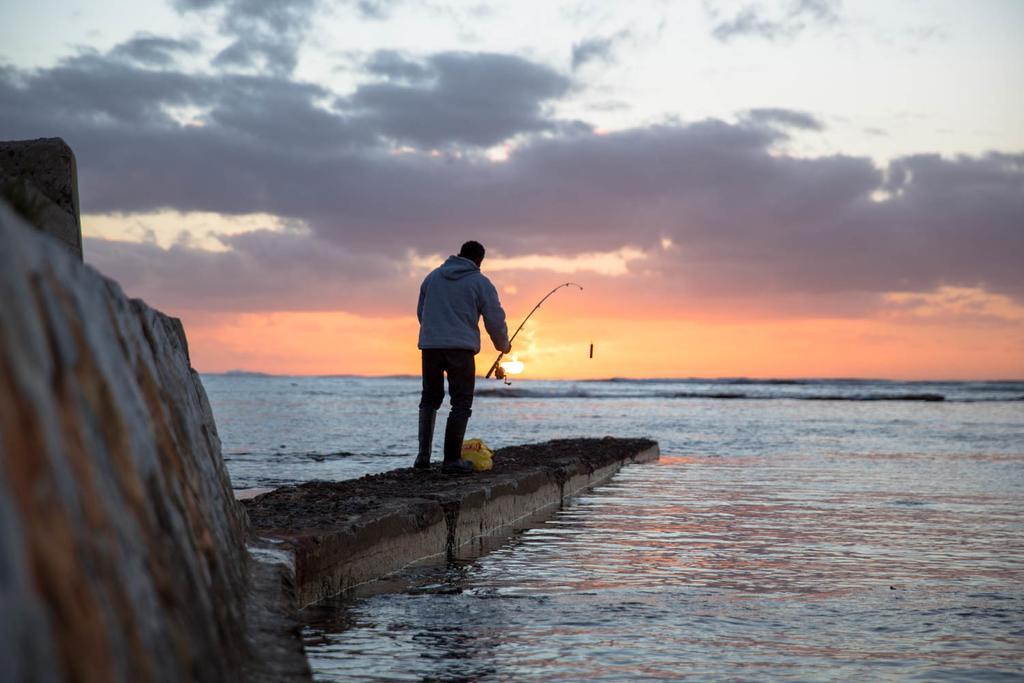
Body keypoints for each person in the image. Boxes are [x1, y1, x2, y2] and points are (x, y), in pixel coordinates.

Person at [415, 240, 511, 473]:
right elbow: (494, 319)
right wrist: (503, 345)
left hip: (431, 345)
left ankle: (423, 458)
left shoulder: (432, 277)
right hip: (461, 349)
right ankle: (451, 461)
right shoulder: (480, 282)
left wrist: (435, 333)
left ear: (459, 254)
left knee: (430, 398)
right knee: (461, 402)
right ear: (479, 260)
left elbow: (422, 312)